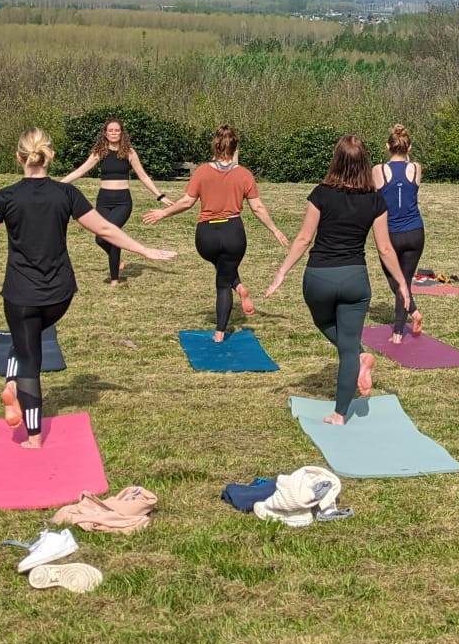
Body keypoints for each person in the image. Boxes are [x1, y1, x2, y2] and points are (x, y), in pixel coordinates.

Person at [0, 128, 175, 446]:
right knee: (27, 343)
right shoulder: (66, 194)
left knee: (28, 355)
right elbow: (104, 228)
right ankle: (14, 387)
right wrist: (145, 250)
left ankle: (33, 437)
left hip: (20, 296)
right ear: (51, 157)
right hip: (59, 296)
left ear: (19, 157)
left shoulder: (5, 197)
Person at [266, 136, 412, 426]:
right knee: (347, 346)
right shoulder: (375, 201)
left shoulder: (321, 193)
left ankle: (359, 356)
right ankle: (340, 413)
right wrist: (401, 284)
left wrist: (282, 272)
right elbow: (384, 248)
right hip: (355, 281)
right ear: (364, 164)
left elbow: (304, 238)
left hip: (319, 277)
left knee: (324, 324)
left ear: (336, 160)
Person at [142, 125, 287, 342]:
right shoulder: (245, 174)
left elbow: (187, 202)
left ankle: (232, 296)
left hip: (206, 236)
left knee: (222, 273)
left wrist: (163, 213)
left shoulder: (202, 171)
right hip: (233, 233)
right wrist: (275, 230)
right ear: (235, 147)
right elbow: (257, 207)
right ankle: (225, 316)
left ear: (215, 145)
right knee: (224, 278)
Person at [60, 120, 172, 285]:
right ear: (105, 133)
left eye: (116, 130)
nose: (113, 133)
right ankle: (117, 262)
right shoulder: (99, 152)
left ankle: (114, 280)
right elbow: (81, 171)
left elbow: (143, 176)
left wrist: (159, 195)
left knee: (112, 235)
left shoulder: (129, 153)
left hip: (123, 202)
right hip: (104, 201)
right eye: (110, 130)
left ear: (121, 133)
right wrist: (58, 185)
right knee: (100, 238)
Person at [370, 124, 427, 343]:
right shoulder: (416, 168)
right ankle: (410, 315)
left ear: (387, 146)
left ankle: (398, 331)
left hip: (391, 234)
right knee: (406, 281)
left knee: (396, 281)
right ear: (409, 146)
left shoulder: (379, 170)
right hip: (415, 233)